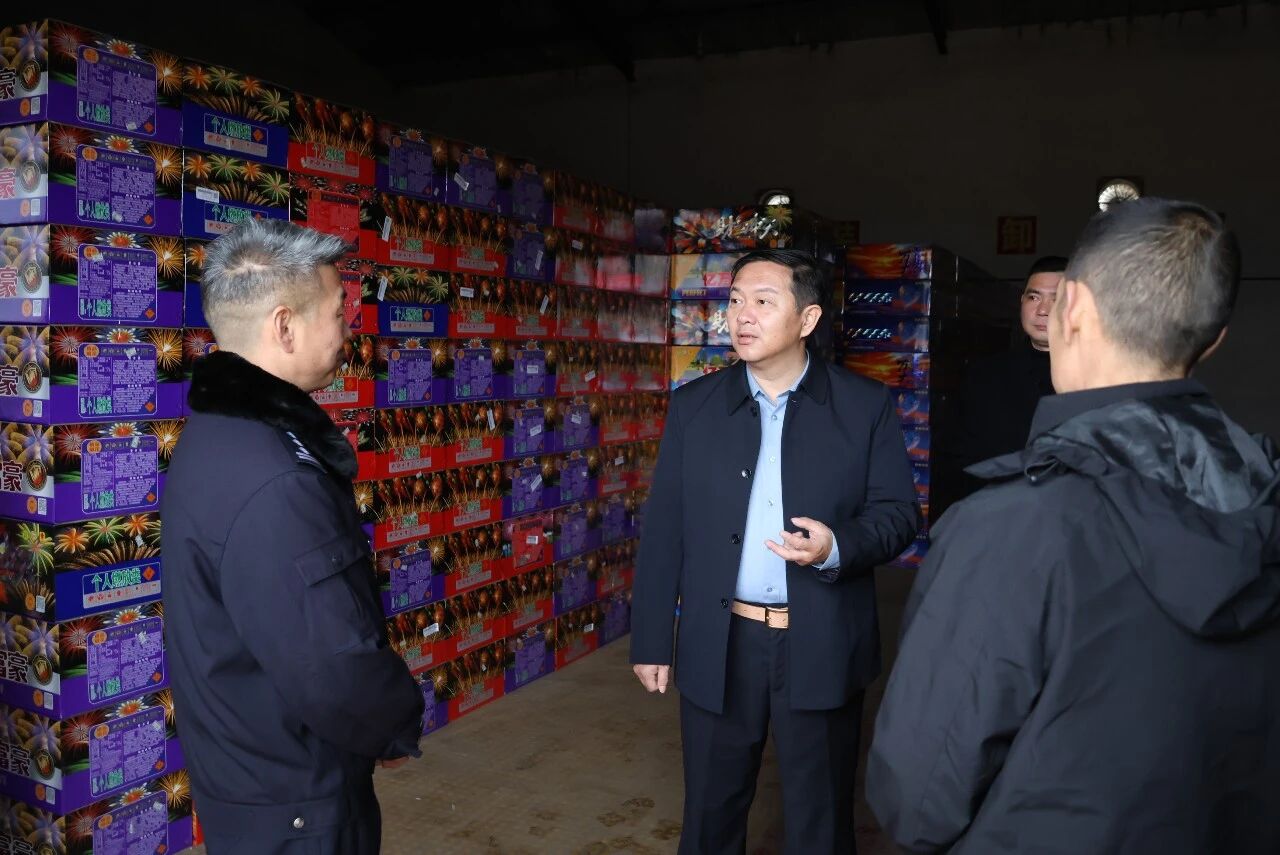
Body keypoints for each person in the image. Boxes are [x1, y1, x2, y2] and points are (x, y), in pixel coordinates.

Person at [867, 199, 1280, 854]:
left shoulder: (1012, 527)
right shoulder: (1265, 495)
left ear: (1074, 308)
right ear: (1214, 338)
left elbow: (918, 798)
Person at [630, 249, 921, 855]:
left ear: (807, 319)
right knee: (709, 816)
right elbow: (664, 531)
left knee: (820, 820)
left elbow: (898, 515)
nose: (742, 316)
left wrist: (837, 547)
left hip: (820, 640)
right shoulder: (694, 407)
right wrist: (653, 639)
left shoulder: (864, 406)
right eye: (735, 300)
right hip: (721, 641)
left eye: (763, 302)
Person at [163, 219, 424, 854]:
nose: (348, 329)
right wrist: (391, 725)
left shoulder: (217, 435)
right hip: (298, 805)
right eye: (337, 313)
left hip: (251, 785)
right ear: (284, 327)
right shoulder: (275, 478)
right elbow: (330, 665)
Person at [955, 255, 1064, 468]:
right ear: (1021, 301)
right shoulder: (984, 375)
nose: (1043, 311)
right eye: (1034, 298)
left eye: (1056, 299)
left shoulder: (1095, 380)